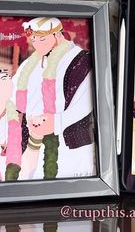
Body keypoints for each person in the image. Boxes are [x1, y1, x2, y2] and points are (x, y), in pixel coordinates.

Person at [12, 17, 95, 179]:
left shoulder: (84, 60)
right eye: (34, 39)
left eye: (42, 39)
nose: (37, 44)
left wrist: (57, 122)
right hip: (31, 141)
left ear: (57, 35)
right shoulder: (30, 63)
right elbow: (13, 94)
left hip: (69, 148)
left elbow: (85, 103)